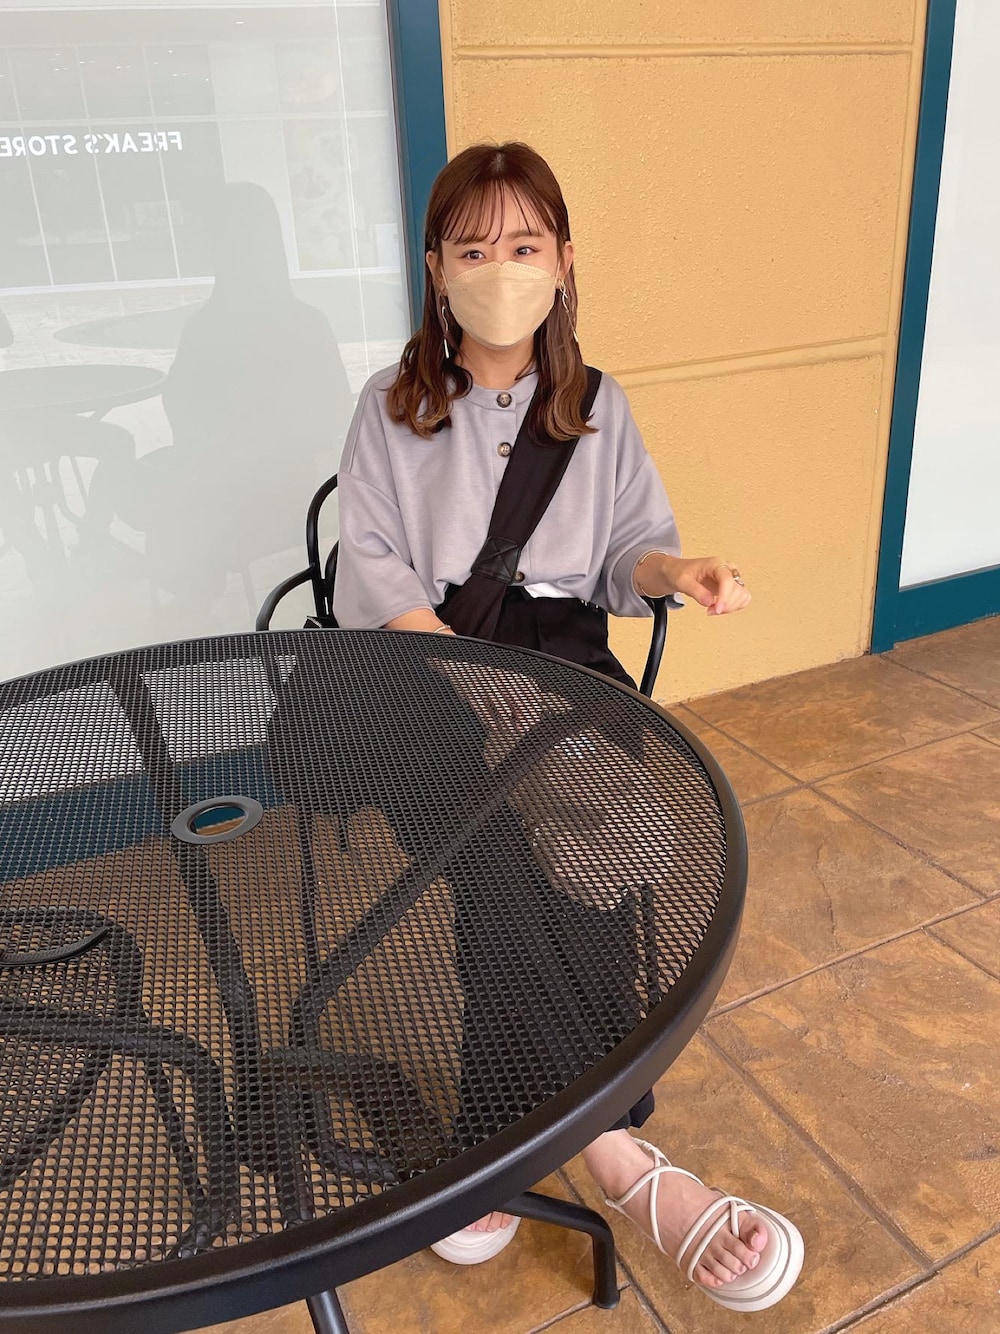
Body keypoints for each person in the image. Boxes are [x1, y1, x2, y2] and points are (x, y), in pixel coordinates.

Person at [332, 142, 803, 1313]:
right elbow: (370, 568)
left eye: (523, 245)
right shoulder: (390, 406)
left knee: (605, 841)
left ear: (563, 260)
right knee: (496, 855)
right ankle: (617, 1154)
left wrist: (674, 568)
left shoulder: (598, 406)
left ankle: (501, 1136)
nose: (499, 269)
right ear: (437, 267)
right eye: (473, 247)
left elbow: (621, 550)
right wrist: (465, 674)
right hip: (421, 658)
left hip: (559, 655)